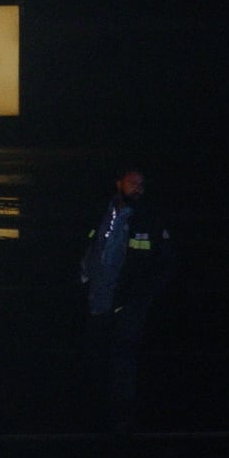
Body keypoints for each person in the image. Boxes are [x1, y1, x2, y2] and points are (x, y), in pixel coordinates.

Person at [79, 167, 173, 430]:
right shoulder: (102, 212)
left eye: (141, 183)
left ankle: (122, 416)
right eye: (132, 182)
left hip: (129, 301)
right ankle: (97, 410)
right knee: (97, 354)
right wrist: (85, 277)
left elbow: (164, 262)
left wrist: (142, 296)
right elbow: (91, 247)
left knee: (123, 355)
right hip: (99, 297)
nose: (137, 187)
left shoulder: (149, 218)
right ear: (118, 183)